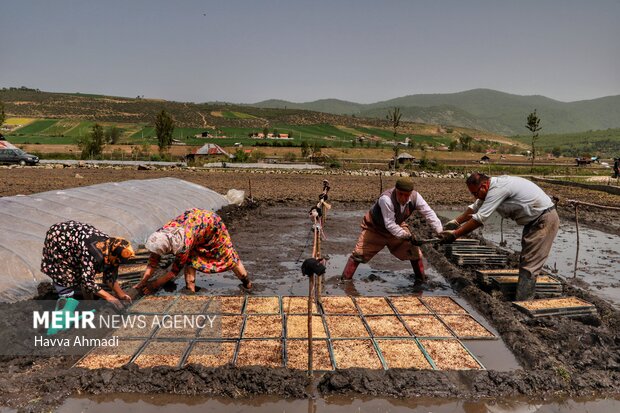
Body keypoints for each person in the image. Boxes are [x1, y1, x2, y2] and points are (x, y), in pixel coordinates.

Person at [440, 173, 559, 300]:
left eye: (475, 193)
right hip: (533, 221)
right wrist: (456, 222)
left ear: (484, 185)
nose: (475, 196)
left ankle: (524, 301)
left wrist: (455, 235)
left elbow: (479, 219)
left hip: (543, 219)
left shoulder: (498, 189)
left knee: (530, 263)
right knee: (526, 259)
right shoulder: (491, 188)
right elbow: (475, 207)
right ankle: (523, 296)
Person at [342, 177, 443, 283]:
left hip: (397, 226)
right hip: (376, 228)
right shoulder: (386, 199)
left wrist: (440, 231)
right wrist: (408, 236)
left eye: (406, 195)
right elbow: (389, 224)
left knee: (414, 252)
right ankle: (345, 280)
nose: (403, 198)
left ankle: (421, 279)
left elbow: (429, 213)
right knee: (359, 254)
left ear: (411, 193)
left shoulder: (416, 197)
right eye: (400, 194)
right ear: (396, 190)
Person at [135, 208, 251, 294]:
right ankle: (190, 291)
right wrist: (144, 281)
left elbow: (174, 272)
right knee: (191, 261)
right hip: (195, 225)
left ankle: (247, 284)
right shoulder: (161, 236)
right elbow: (153, 261)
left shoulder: (183, 245)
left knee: (228, 256)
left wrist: (154, 285)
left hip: (213, 225)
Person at [40, 220, 135, 309]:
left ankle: (88, 304)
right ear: (113, 255)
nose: (117, 264)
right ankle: (64, 305)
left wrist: (121, 295)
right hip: (60, 238)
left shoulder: (111, 248)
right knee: (65, 275)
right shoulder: (94, 252)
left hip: (76, 241)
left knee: (83, 275)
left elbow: (110, 276)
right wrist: (109, 297)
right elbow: (88, 283)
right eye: (117, 261)